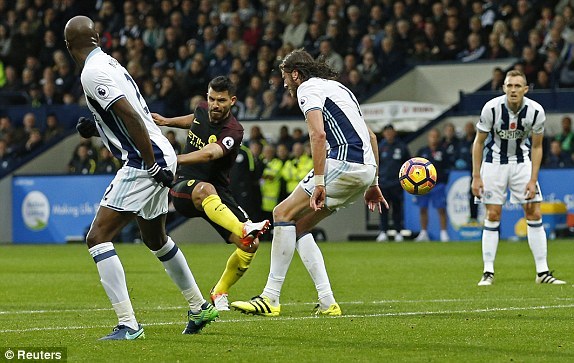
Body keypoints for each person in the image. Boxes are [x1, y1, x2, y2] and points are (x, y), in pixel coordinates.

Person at [64, 16, 218, 340]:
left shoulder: (91, 72)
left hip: (144, 158)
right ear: (96, 38)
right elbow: (129, 110)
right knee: (155, 239)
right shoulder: (108, 62)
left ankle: (128, 324)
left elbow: (130, 115)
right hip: (161, 151)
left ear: (68, 46)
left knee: (97, 237)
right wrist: (96, 125)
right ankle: (199, 306)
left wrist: (149, 164)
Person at [231, 49, 387, 317]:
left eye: (285, 78)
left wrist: (319, 182)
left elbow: (318, 134)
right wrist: (373, 182)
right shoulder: (340, 89)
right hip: (364, 169)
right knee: (298, 226)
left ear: (296, 73)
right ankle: (328, 302)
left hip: (343, 162)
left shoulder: (307, 89)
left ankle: (270, 297)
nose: (284, 85)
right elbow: (371, 136)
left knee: (282, 213)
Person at [152, 76, 270, 311]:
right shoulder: (202, 109)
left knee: (250, 244)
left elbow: (209, 154)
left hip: (218, 192)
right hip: (186, 186)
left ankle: (220, 291)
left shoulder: (233, 131)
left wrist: (174, 160)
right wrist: (167, 121)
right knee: (206, 190)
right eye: (212, 98)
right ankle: (243, 227)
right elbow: (194, 120)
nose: (215, 105)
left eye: (221, 100)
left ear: (232, 101)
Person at [472, 69, 566, 286]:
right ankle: (488, 271)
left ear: (525, 89)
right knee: (493, 213)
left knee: (533, 211)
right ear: (503, 88)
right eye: (509, 86)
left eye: (517, 86)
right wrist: (476, 176)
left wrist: (533, 179)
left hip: (522, 162)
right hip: (494, 163)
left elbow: (537, 146)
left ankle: (542, 272)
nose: (513, 90)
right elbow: (478, 142)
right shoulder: (491, 109)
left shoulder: (536, 111)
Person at [414, 128, 450, 242]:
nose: (433, 138)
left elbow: (447, 167)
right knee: (422, 208)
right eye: (431, 136)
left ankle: (444, 233)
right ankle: (423, 232)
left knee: (441, 209)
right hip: (424, 185)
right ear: (428, 137)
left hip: (438, 184)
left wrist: (443, 181)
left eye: (435, 136)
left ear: (438, 138)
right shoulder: (422, 151)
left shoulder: (443, 151)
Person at [376, 124, 410, 242]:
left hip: (397, 183)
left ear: (394, 133)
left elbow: (408, 165)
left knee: (397, 209)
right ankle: (383, 232)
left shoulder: (401, 147)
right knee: (383, 209)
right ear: (384, 134)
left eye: (391, 132)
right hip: (384, 183)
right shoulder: (380, 147)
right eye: (387, 132)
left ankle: (398, 232)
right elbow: (376, 164)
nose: (389, 134)